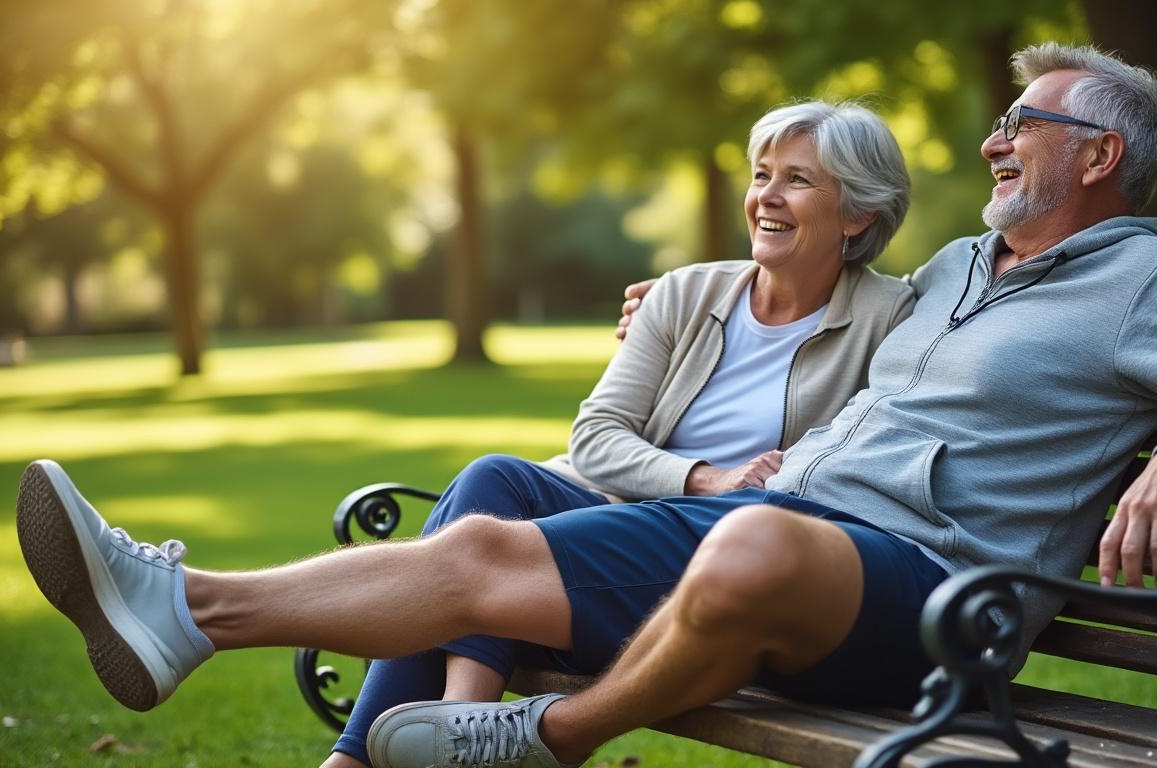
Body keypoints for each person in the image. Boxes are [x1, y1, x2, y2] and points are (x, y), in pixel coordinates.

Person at [17, 43, 1157, 768]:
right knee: (490, 538)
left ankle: (549, 738)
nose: (994, 139)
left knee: (753, 539)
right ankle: (184, 610)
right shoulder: (950, 272)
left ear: (1098, 156)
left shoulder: (1145, 282)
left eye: (1022, 123)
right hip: (800, 530)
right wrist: (704, 291)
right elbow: (826, 286)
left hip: (936, 596)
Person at [322, 101, 916, 767]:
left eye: (797, 180)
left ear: (859, 213)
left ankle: (406, 748)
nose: (766, 196)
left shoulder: (894, 319)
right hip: (612, 525)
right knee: (493, 479)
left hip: (709, 572)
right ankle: (457, 727)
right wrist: (705, 478)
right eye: (761, 175)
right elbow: (596, 435)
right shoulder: (686, 293)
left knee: (482, 548)